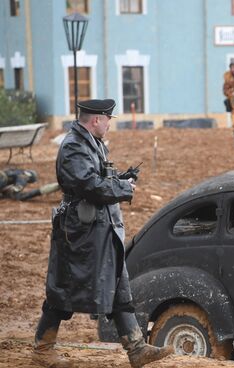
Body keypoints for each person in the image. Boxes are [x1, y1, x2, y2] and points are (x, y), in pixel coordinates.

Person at [32, 99, 173, 368]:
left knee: (119, 285)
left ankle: (136, 348)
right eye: (108, 118)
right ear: (96, 119)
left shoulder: (90, 142)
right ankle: (43, 348)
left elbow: (97, 178)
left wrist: (121, 178)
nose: (110, 124)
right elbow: (88, 184)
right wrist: (124, 189)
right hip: (80, 235)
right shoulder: (74, 145)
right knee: (65, 287)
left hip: (99, 230)